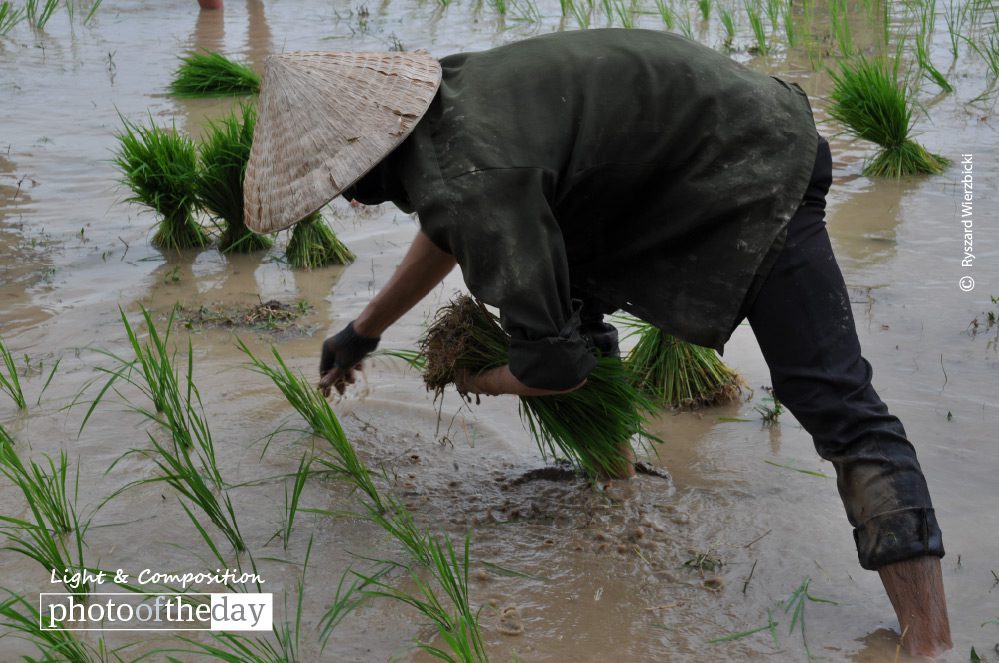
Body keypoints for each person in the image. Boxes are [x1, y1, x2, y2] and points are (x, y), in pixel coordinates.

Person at [243, 29, 952, 657]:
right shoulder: (447, 102)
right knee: (567, 294)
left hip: (753, 159)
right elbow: (452, 223)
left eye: (341, 186)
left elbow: (554, 370)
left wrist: (472, 374)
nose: (348, 199)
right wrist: (364, 329)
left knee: (828, 394)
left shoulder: (470, 176)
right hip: (673, 154)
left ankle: (927, 641)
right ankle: (616, 482)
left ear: (368, 162)